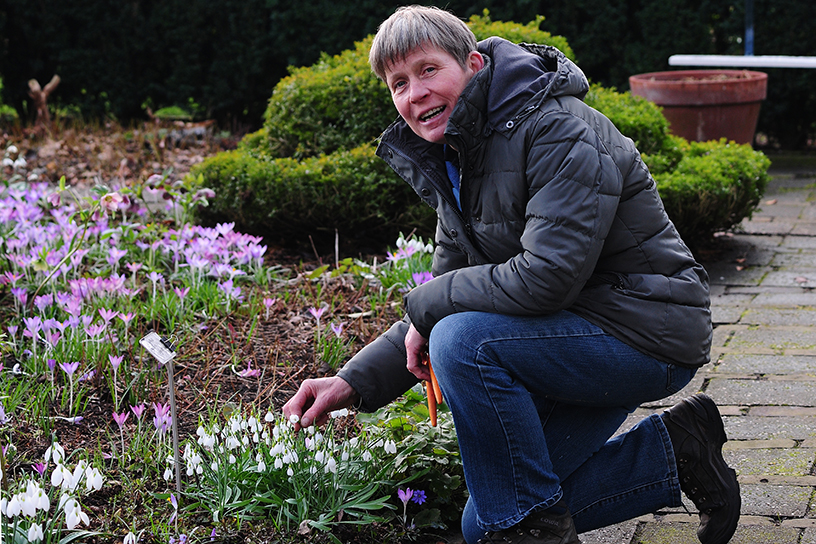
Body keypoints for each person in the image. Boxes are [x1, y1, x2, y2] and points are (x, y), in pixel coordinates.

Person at [283, 5, 741, 544]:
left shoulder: (559, 130)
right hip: (567, 333)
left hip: (645, 333)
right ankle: (678, 450)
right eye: (398, 83)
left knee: (464, 342)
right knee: (490, 524)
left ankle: (532, 533)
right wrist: (353, 381)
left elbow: (544, 277)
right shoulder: (461, 156)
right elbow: (449, 283)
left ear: (473, 64)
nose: (415, 93)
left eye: (429, 70)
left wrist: (430, 311)